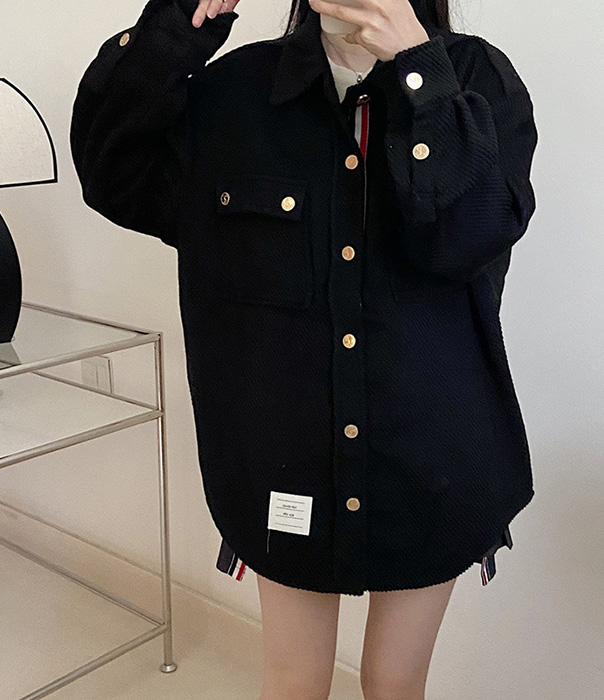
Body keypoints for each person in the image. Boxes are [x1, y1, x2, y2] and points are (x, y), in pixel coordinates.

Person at [70, 1, 538, 698]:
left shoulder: (474, 79)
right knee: (293, 681)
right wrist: (178, 24)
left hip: (433, 461)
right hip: (283, 462)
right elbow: (113, 174)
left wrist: (417, 70)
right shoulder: (233, 93)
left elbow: (471, 235)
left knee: (395, 682)